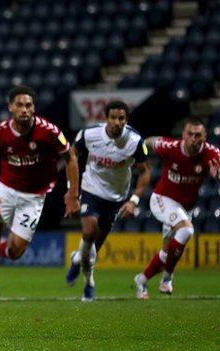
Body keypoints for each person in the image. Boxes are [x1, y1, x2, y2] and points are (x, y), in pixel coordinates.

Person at [0, 85, 80, 302]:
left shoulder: (49, 131)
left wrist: (72, 194)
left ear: (34, 107)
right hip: (4, 189)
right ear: (10, 107)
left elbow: (71, 158)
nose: (25, 109)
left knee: (15, 252)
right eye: (20, 105)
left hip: (34, 197)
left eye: (29, 105)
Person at [64, 100, 151, 301]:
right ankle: (89, 285)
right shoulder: (89, 134)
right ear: (106, 118)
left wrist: (134, 200)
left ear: (126, 120)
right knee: (88, 232)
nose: (117, 122)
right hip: (91, 190)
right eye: (113, 117)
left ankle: (80, 263)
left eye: (121, 118)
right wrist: (72, 192)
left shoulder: (135, 141)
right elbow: (71, 156)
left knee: (92, 249)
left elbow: (145, 172)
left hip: (116, 198)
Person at [133, 118, 220, 299]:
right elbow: (148, 141)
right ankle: (167, 279)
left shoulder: (212, 154)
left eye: (198, 135)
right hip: (162, 200)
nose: (194, 139)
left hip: (183, 209)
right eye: (190, 134)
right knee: (187, 230)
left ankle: (141, 280)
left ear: (205, 136)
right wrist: (139, 154)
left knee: (167, 253)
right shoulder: (170, 147)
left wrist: (218, 177)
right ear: (183, 135)